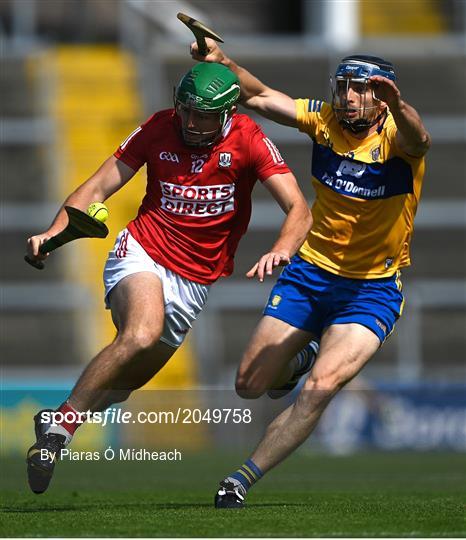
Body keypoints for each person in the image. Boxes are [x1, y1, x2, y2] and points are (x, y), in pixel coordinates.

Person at [25, 62, 313, 495]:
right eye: (186, 111)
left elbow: (299, 209)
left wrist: (281, 249)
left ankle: (56, 418)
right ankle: (58, 434)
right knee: (141, 333)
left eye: (204, 116)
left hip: (194, 282)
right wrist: (52, 231)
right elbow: (97, 186)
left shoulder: (249, 137)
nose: (191, 123)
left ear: (227, 113)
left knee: (122, 387)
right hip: (142, 251)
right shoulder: (159, 128)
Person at [190, 41, 431, 508]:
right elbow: (258, 96)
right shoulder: (323, 122)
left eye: (359, 89)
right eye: (342, 87)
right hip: (310, 274)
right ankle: (303, 355)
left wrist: (399, 104)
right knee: (248, 385)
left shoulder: (398, 139)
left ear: (382, 98)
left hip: (373, 289)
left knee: (321, 387)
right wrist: (223, 64)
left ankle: (240, 479)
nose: (346, 97)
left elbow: (420, 139)